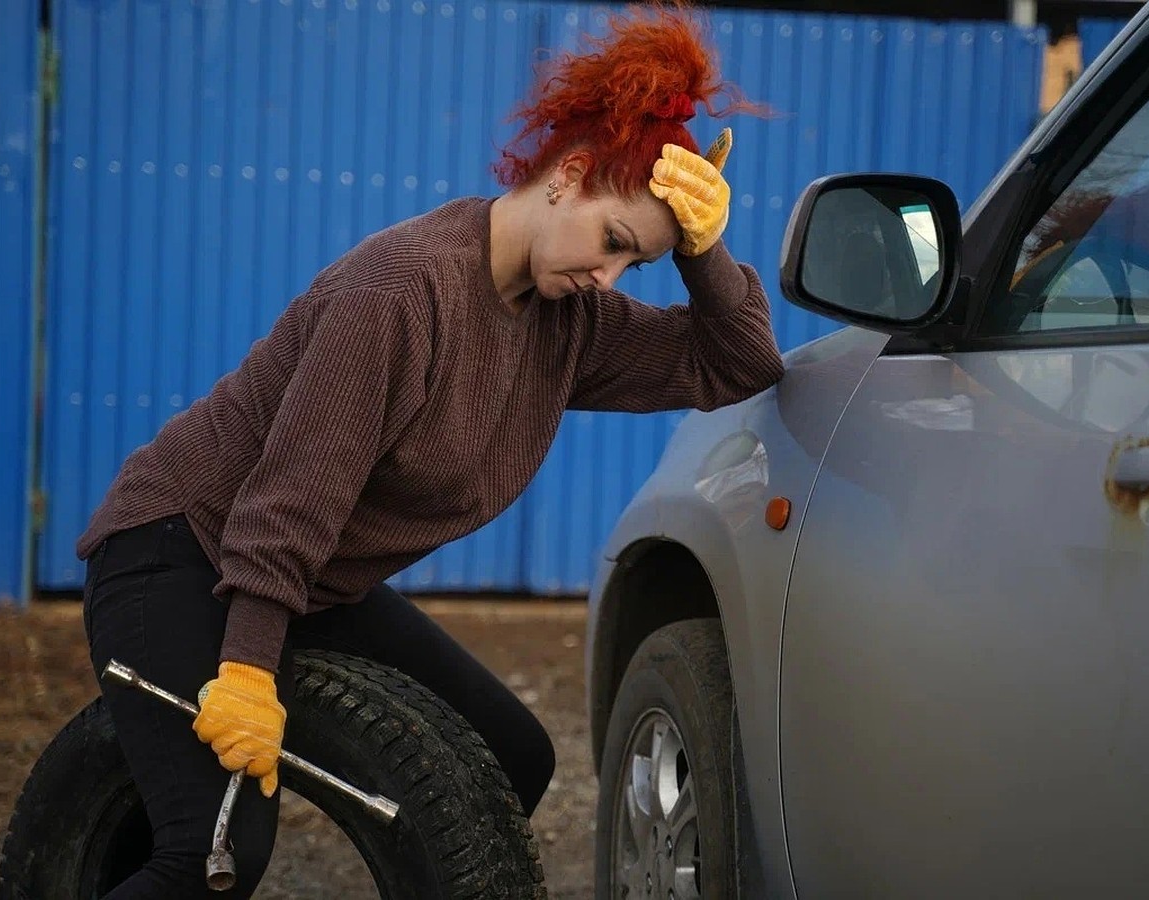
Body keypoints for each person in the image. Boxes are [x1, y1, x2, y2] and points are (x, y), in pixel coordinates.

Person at [76, 2, 785, 895]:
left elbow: (739, 362)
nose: (608, 276)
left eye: (632, 264)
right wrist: (249, 671)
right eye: (613, 242)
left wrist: (703, 256)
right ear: (567, 176)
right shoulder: (404, 292)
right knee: (215, 852)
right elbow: (290, 497)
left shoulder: (569, 322)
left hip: (312, 582)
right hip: (179, 552)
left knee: (510, 757)